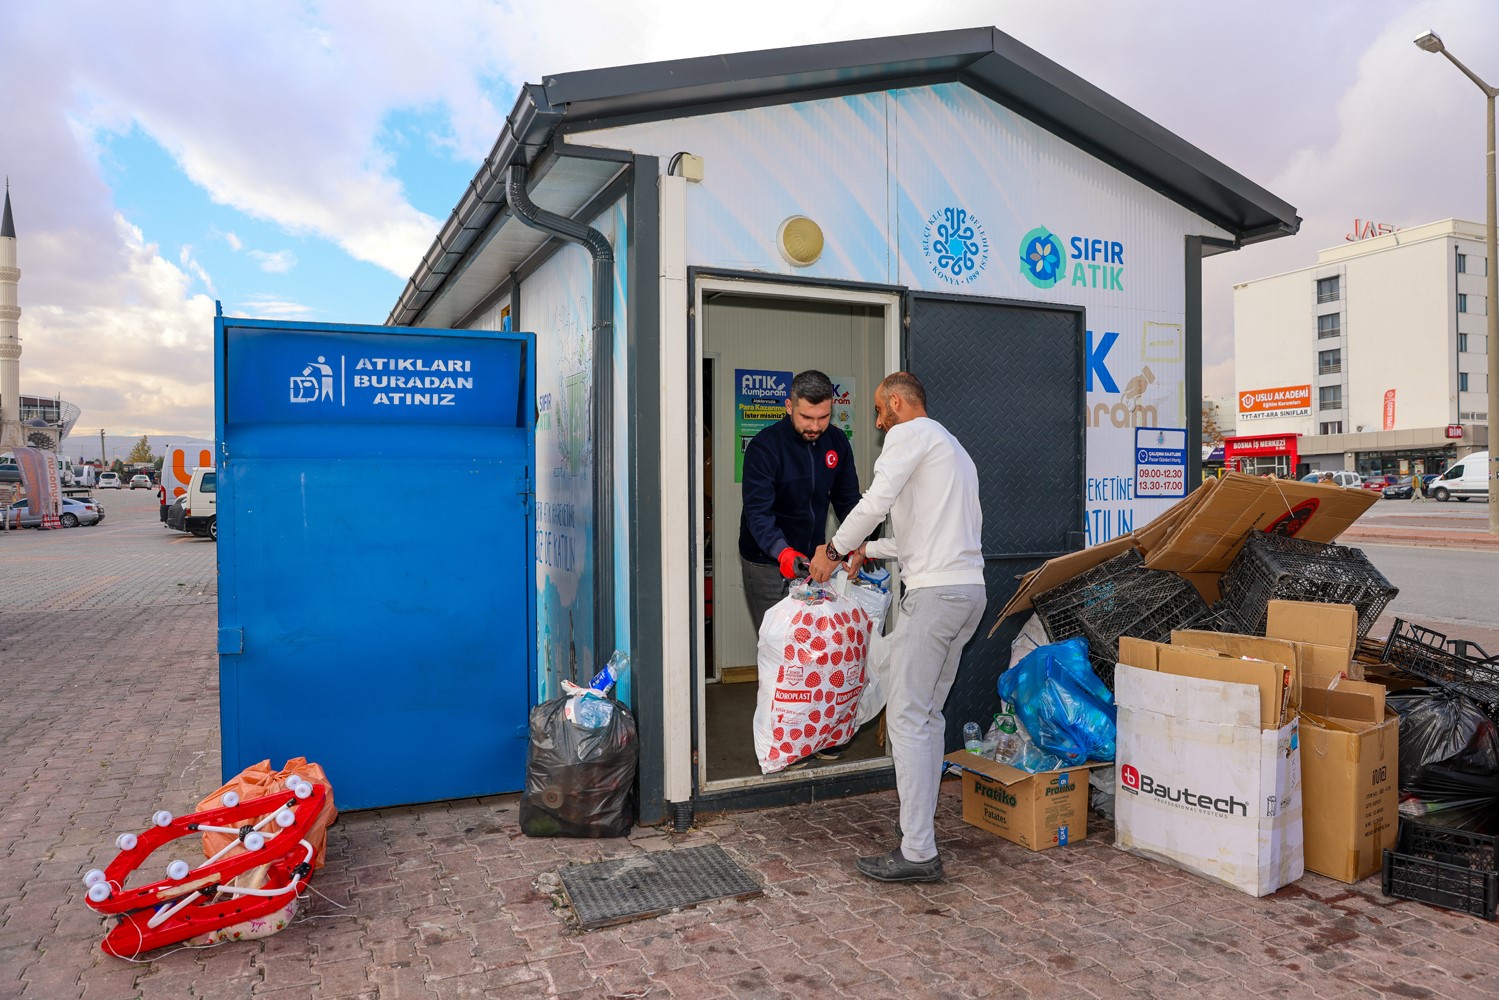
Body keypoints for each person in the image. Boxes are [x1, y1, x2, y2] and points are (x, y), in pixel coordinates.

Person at [809, 372, 985, 883]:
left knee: (907, 717)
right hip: (966, 592)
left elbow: (874, 502)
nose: (879, 422)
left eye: (880, 411)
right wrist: (870, 551)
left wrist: (836, 549)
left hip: (933, 597)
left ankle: (918, 852)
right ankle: (917, 835)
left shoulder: (909, 436)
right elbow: (924, 535)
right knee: (927, 717)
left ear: (898, 402)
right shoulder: (953, 449)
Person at [740, 369, 863, 762]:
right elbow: (758, 514)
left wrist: (856, 543)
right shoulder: (765, 447)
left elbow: (848, 502)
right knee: (782, 652)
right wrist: (782, 553)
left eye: (823, 417)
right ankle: (784, 739)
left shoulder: (837, 443)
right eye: (807, 417)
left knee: (817, 652)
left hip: (815, 562)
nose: (815, 426)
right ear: (789, 405)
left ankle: (819, 734)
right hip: (766, 560)